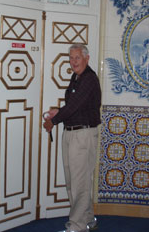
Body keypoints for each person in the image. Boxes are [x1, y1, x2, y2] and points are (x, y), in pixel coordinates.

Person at [43, 44, 101, 232]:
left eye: (77, 57)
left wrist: (54, 121)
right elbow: (75, 106)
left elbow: (74, 105)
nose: (73, 61)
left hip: (82, 136)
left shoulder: (89, 79)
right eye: (71, 58)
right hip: (72, 133)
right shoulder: (77, 77)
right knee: (74, 181)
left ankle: (76, 227)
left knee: (79, 183)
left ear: (87, 58)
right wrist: (58, 112)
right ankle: (88, 220)